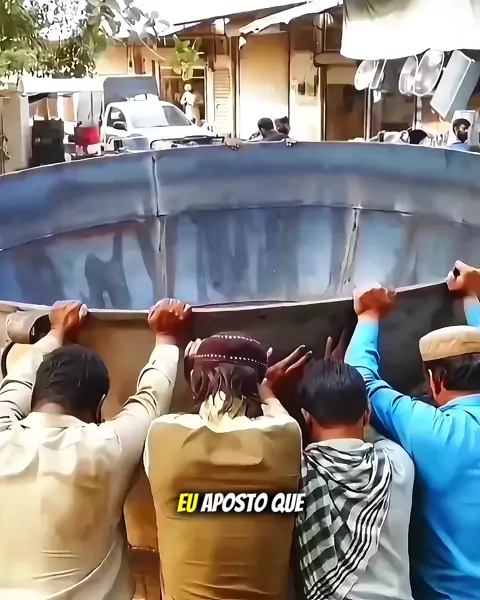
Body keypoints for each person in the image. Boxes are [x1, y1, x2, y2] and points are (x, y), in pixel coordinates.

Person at [0, 298, 191, 599]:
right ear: (100, 406)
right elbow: (150, 400)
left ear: (35, 394)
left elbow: (16, 383)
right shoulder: (105, 449)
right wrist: (166, 338)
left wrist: (55, 332)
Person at [345, 260, 480, 600]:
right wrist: (473, 298)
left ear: (435, 381)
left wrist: (368, 315)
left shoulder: (433, 430)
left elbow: (361, 381)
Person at [145, 335, 308, 600]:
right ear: (255, 384)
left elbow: (196, 419)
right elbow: (276, 412)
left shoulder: (162, 434)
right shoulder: (286, 435)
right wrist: (267, 387)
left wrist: (194, 382)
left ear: (196, 379)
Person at [293, 359, 414, 600]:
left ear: (306, 418)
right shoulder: (398, 463)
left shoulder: (299, 472)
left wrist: (269, 395)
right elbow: (372, 435)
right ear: (367, 414)